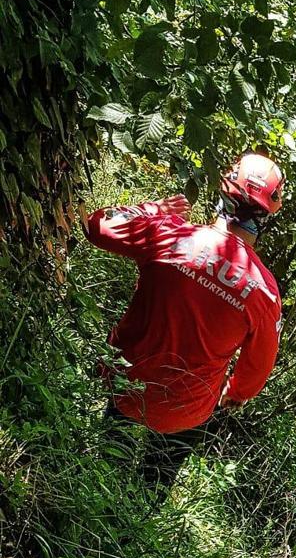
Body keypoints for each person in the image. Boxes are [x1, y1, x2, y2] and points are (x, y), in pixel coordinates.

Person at [80, 152, 284, 488]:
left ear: (222, 193)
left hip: (127, 388)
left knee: (101, 474)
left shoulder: (170, 235)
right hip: (188, 411)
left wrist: (153, 210)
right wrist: (235, 391)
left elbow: (96, 224)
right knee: (151, 489)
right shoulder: (263, 291)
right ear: (267, 215)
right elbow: (257, 368)